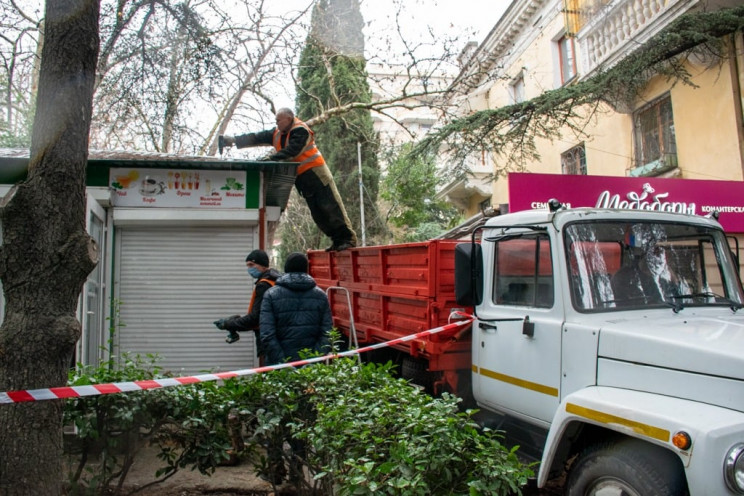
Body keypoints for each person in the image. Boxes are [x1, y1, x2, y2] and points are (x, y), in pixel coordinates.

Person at [221, 108, 358, 251]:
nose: (276, 123)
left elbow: (293, 150)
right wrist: (234, 140)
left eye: (279, 120)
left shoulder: (300, 130)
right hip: (304, 181)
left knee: (331, 207)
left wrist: (272, 158)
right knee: (319, 215)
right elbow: (256, 137)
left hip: (317, 175)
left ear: (289, 118)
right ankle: (337, 240)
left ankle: (348, 238)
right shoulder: (276, 133)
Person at [259, 252, 332, 366]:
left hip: (279, 369)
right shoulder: (321, 295)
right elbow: (327, 333)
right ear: (306, 269)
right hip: (312, 369)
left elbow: (267, 335)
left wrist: (283, 364)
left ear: (286, 268)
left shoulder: (271, 295)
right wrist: (313, 361)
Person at [214, 250, 281, 363]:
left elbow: (256, 318)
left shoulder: (264, 285)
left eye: (251, 265)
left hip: (268, 338)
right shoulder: (275, 280)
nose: (249, 269)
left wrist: (229, 324)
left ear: (263, 265)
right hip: (277, 335)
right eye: (247, 266)